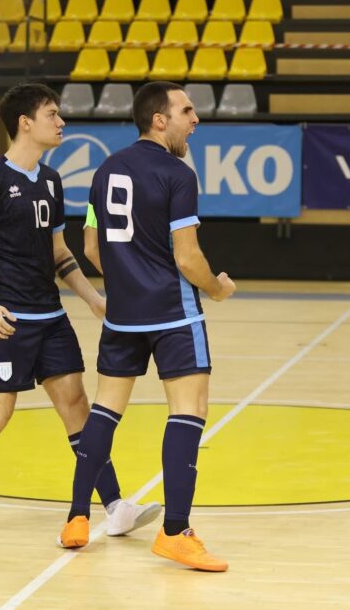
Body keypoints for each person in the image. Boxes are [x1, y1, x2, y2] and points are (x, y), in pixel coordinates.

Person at [0, 83, 161, 541]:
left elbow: (58, 252)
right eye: (52, 113)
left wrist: (90, 296)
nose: (61, 121)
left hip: (50, 317)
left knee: (77, 406)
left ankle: (114, 507)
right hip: (6, 319)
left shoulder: (50, 181)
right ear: (25, 123)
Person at [57, 81, 237, 573]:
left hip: (122, 314)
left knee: (105, 411)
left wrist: (127, 280)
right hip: (174, 312)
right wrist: (217, 290)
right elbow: (188, 256)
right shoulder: (177, 173)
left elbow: (91, 249)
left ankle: (76, 518)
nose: (194, 119)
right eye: (186, 110)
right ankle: (176, 532)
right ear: (160, 119)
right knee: (189, 410)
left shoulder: (105, 170)